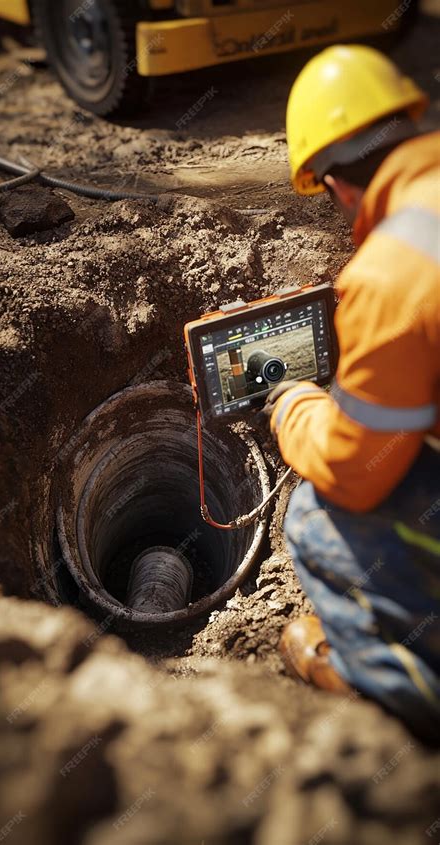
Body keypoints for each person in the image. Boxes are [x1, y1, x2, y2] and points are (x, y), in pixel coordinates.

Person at [264, 45, 440, 740]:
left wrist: (293, 407)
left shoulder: (394, 271)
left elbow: (355, 472)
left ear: (336, 185)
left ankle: (409, 688)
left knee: (312, 514)